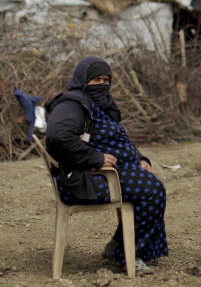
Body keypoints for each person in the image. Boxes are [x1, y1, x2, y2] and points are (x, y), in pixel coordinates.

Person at [45, 56, 168, 274]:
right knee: (152, 190)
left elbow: (118, 139)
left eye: (106, 80)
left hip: (104, 174)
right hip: (84, 180)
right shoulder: (71, 104)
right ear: (82, 79)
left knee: (150, 184)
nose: (102, 84)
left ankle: (118, 247)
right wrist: (95, 158)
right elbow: (58, 137)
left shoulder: (101, 104)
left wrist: (140, 158)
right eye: (95, 80)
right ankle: (128, 254)